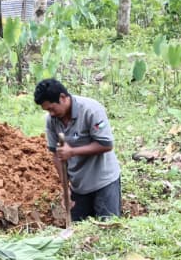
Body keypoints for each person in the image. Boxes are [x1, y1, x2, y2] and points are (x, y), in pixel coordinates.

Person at [34, 78, 121, 221]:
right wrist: (65, 187)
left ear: (62, 97)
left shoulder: (91, 110)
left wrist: (72, 152)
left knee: (108, 230)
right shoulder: (52, 120)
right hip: (78, 185)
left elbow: (106, 145)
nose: (51, 113)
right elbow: (56, 155)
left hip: (104, 182)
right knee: (79, 233)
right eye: (47, 110)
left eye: (51, 108)